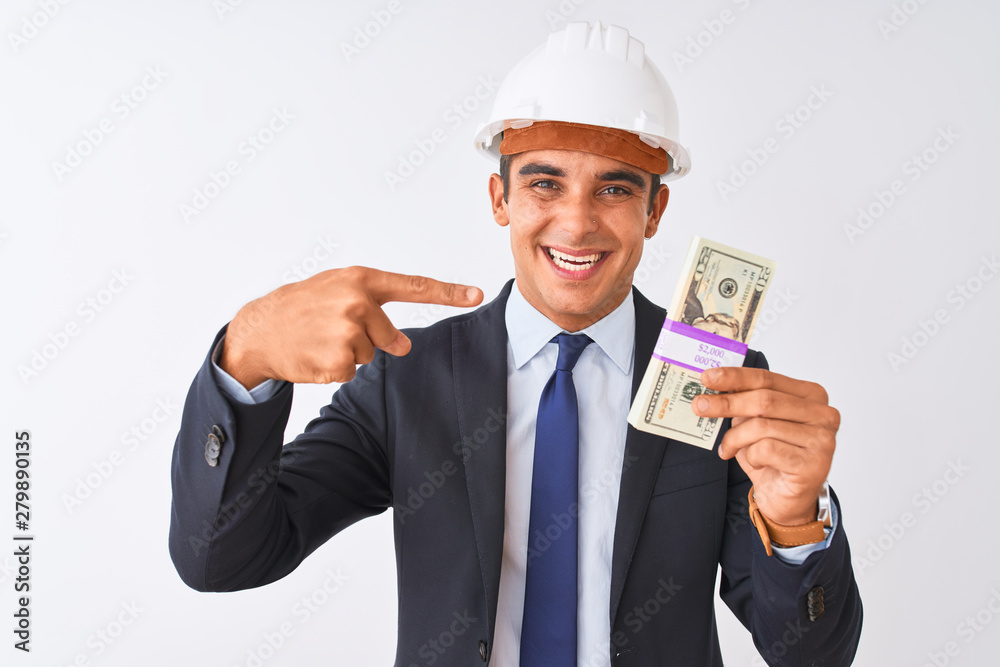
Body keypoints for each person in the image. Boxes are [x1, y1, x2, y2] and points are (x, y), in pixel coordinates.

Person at [169, 21, 862, 667]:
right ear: (500, 198)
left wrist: (796, 521)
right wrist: (246, 357)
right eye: (545, 183)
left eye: (614, 188)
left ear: (655, 210)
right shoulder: (407, 380)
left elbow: (810, 654)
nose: (577, 222)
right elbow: (220, 558)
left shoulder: (723, 383)